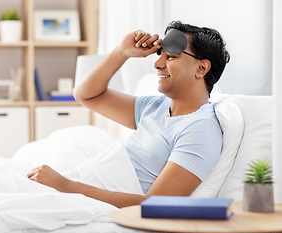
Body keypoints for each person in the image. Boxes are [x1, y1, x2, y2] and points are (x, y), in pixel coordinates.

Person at [27, 20, 230, 208]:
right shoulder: (155, 107)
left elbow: (156, 204)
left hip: (85, 198)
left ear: (201, 68)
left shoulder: (200, 129)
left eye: (171, 57)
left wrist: (65, 186)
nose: (157, 64)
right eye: (160, 55)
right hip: (81, 185)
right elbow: (84, 95)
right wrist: (122, 52)